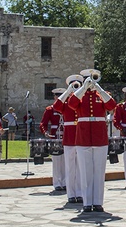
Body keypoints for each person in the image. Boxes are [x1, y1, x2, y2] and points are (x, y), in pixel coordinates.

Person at [73, 69, 116, 212]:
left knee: (99, 171)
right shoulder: (79, 96)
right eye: (88, 80)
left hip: (99, 137)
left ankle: (97, 202)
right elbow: (72, 104)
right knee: (85, 172)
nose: (90, 82)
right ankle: (86, 202)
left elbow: (111, 106)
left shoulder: (101, 95)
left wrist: (99, 88)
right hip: (83, 137)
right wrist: (83, 88)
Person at [53, 74, 84, 205]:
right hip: (70, 137)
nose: (75, 88)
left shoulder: (82, 100)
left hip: (81, 136)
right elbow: (56, 106)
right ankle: (71, 194)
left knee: (81, 168)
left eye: (77, 85)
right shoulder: (65, 101)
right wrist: (67, 92)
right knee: (70, 167)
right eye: (73, 85)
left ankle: (80, 192)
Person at [41, 88, 66, 191]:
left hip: (66, 137)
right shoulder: (50, 109)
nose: (59, 98)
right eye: (57, 96)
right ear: (55, 97)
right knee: (56, 161)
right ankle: (57, 183)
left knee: (66, 161)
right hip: (55, 137)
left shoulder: (67, 108)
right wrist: (45, 132)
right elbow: (43, 123)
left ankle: (65, 182)